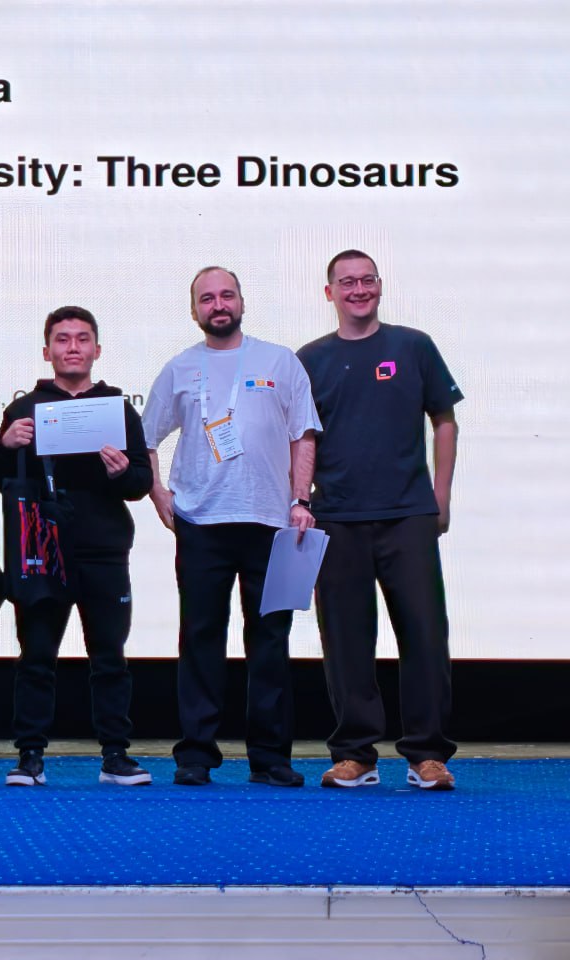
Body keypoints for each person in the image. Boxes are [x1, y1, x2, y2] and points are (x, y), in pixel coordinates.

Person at [143, 266, 320, 787]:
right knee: (201, 639)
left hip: (271, 521)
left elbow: (303, 434)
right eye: (207, 298)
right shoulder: (178, 368)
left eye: (227, 295)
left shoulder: (280, 361)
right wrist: (158, 493)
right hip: (201, 522)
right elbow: (145, 438)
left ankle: (270, 758)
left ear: (242, 301)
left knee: (270, 641)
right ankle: (196, 754)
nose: (218, 305)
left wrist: (301, 499)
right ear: (193, 310)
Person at [298, 250, 462, 791]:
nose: (358, 289)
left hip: (408, 514)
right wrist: (300, 501)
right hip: (336, 517)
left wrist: (441, 495)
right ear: (330, 293)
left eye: (367, 279)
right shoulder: (309, 359)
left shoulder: (413, 346)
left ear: (380, 286)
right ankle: (355, 755)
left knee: (425, 635)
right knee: (345, 641)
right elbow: (301, 438)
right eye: (346, 282)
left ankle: (427, 755)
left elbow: (444, 419)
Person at [0, 306, 153, 787]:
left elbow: (140, 483)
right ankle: (30, 756)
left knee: (110, 657)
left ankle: (115, 756)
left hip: (104, 549)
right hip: (41, 551)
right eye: (63, 339)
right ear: (47, 351)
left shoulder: (119, 409)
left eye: (82, 339)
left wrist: (123, 472)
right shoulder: (24, 409)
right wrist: (5, 446)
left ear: (97, 349)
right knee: (36, 656)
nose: (73, 347)